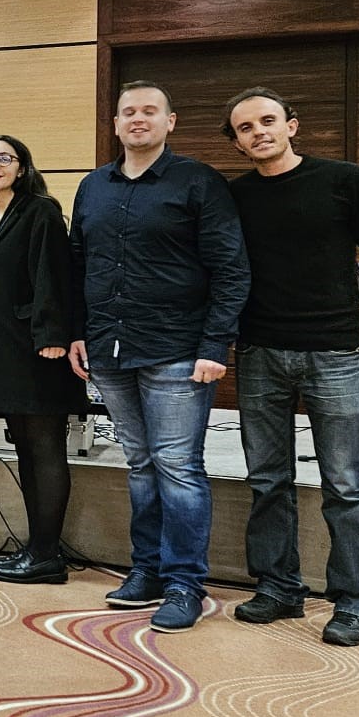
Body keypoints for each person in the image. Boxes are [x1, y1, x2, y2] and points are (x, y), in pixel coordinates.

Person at [223, 87, 359, 646]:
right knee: (267, 480)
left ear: (291, 125)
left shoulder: (343, 180)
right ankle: (279, 586)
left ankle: (355, 602)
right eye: (245, 128)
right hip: (259, 354)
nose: (259, 132)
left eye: (268, 120)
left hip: (334, 354)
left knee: (346, 485)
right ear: (237, 143)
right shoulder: (235, 196)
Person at [70, 81, 249, 634]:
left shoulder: (198, 181)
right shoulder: (92, 186)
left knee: (177, 466)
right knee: (140, 465)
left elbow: (230, 268)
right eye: (129, 112)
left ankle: (183, 584)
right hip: (109, 348)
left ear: (171, 121)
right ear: (116, 124)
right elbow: (78, 263)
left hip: (177, 349)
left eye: (150, 111)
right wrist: (77, 332)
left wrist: (215, 345)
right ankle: (145, 570)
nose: (138, 119)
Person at [0, 135, 85, 584]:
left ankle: (47, 555)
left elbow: (53, 273)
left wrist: (52, 335)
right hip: (5, 348)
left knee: (45, 448)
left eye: (4, 158)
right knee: (26, 449)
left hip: (40, 349)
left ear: (22, 166)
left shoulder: (40, 210)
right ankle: (37, 548)